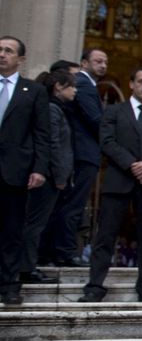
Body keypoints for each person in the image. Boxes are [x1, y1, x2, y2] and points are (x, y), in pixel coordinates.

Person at [79, 65, 142, 302]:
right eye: (141, 81)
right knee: (106, 236)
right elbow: (107, 142)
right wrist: (134, 165)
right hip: (119, 180)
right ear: (131, 84)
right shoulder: (114, 112)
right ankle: (95, 286)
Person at [1, 40, 54, 305]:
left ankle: (10, 284)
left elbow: (42, 134)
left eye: (8, 51)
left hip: (15, 171)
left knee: (12, 230)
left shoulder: (32, 91)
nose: (2, 55)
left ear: (21, 59)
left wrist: (39, 168)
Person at [42, 47, 106, 267]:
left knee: (67, 204)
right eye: (98, 61)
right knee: (73, 205)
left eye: (105, 62)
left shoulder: (86, 85)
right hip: (83, 154)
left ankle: (55, 249)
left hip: (80, 153)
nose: (103, 65)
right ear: (84, 63)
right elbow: (96, 120)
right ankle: (64, 251)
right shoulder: (84, 83)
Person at [20, 68, 75, 284]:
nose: (75, 91)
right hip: (48, 177)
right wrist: (60, 176)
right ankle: (26, 267)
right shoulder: (52, 110)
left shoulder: (54, 109)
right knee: (34, 223)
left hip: (50, 175)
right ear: (59, 87)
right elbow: (53, 145)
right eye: (72, 86)